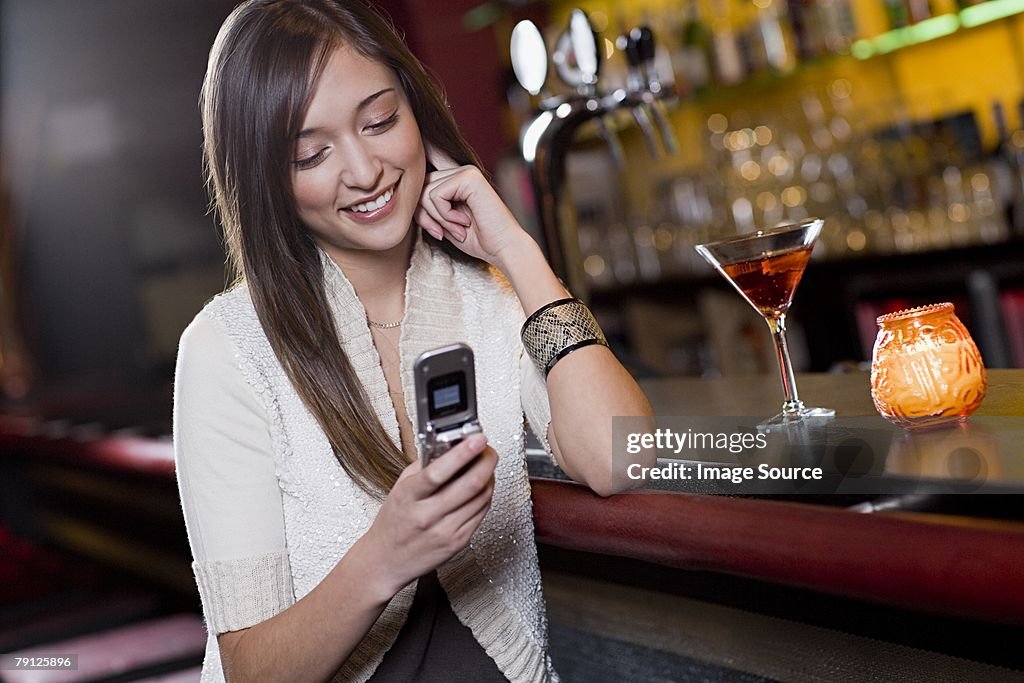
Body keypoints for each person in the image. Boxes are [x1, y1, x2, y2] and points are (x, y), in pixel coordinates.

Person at [173, 1, 655, 681]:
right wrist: (386, 556)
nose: (365, 170)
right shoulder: (229, 351)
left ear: (416, 113)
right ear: (266, 179)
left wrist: (517, 250)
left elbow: (621, 457)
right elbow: (251, 668)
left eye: (379, 122)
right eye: (311, 153)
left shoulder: (488, 297)